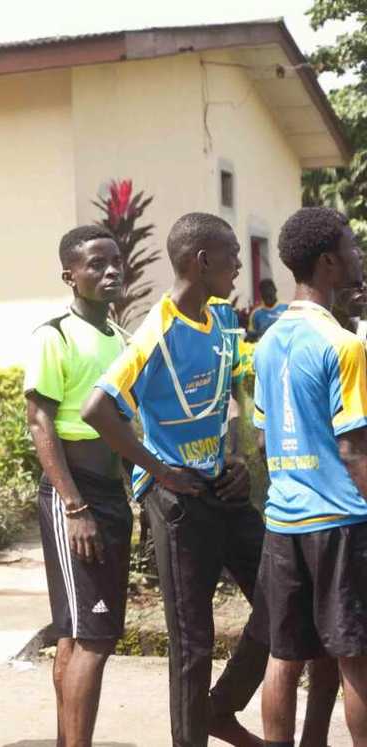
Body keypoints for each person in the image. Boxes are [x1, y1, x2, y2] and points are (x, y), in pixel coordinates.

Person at [82, 213, 267, 747]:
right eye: (231, 253)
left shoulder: (225, 322)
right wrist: (156, 469)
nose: (239, 264)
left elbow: (230, 397)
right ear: (200, 260)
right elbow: (99, 408)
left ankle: (220, 709)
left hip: (222, 489)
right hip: (176, 500)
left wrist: (233, 457)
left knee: (281, 602)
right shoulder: (154, 332)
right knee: (193, 643)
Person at [252, 207, 367, 746]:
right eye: (351, 246)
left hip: (284, 521)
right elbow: (353, 448)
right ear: (327, 262)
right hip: (340, 521)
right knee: (355, 662)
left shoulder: (268, 340)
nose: (358, 254)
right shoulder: (345, 345)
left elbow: (260, 436)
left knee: (284, 658)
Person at [23, 226, 129, 747]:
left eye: (115, 261)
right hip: (76, 493)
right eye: (96, 264)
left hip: (111, 494)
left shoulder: (122, 339)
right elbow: (40, 421)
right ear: (70, 275)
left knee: (74, 633)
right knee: (95, 637)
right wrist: (75, 505)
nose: (111, 270)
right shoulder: (55, 335)